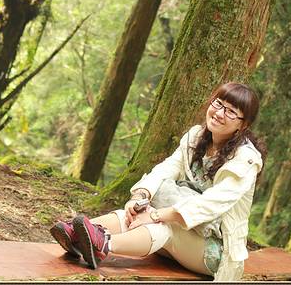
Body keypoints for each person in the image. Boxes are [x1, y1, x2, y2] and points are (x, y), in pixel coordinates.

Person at [50, 82, 266, 281]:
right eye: (218, 103)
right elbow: (166, 169)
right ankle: (76, 236)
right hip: (182, 231)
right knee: (132, 215)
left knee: (164, 226)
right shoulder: (196, 136)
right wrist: (140, 196)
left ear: (243, 124)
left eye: (231, 111)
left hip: (214, 251)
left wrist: (155, 215)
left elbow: (209, 205)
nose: (219, 113)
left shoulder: (245, 160)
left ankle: (102, 245)